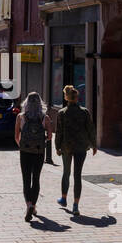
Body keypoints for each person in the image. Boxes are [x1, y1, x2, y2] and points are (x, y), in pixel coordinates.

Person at [55, 84, 97, 217]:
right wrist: (94, 145)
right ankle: (76, 205)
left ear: (66, 98)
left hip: (66, 147)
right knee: (77, 175)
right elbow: (90, 129)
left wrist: (57, 146)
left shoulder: (62, 113)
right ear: (77, 98)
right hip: (81, 147)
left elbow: (59, 132)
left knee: (66, 173)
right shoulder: (85, 112)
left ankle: (63, 198)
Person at [14, 91, 53, 221]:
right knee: (36, 179)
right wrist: (42, 140)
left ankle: (29, 205)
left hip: (25, 152)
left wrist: (23, 146)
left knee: (26, 179)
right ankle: (34, 205)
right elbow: (50, 136)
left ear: (26, 102)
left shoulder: (21, 116)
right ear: (40, 102)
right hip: (38, 152)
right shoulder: (45, 118)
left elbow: (16, 137)